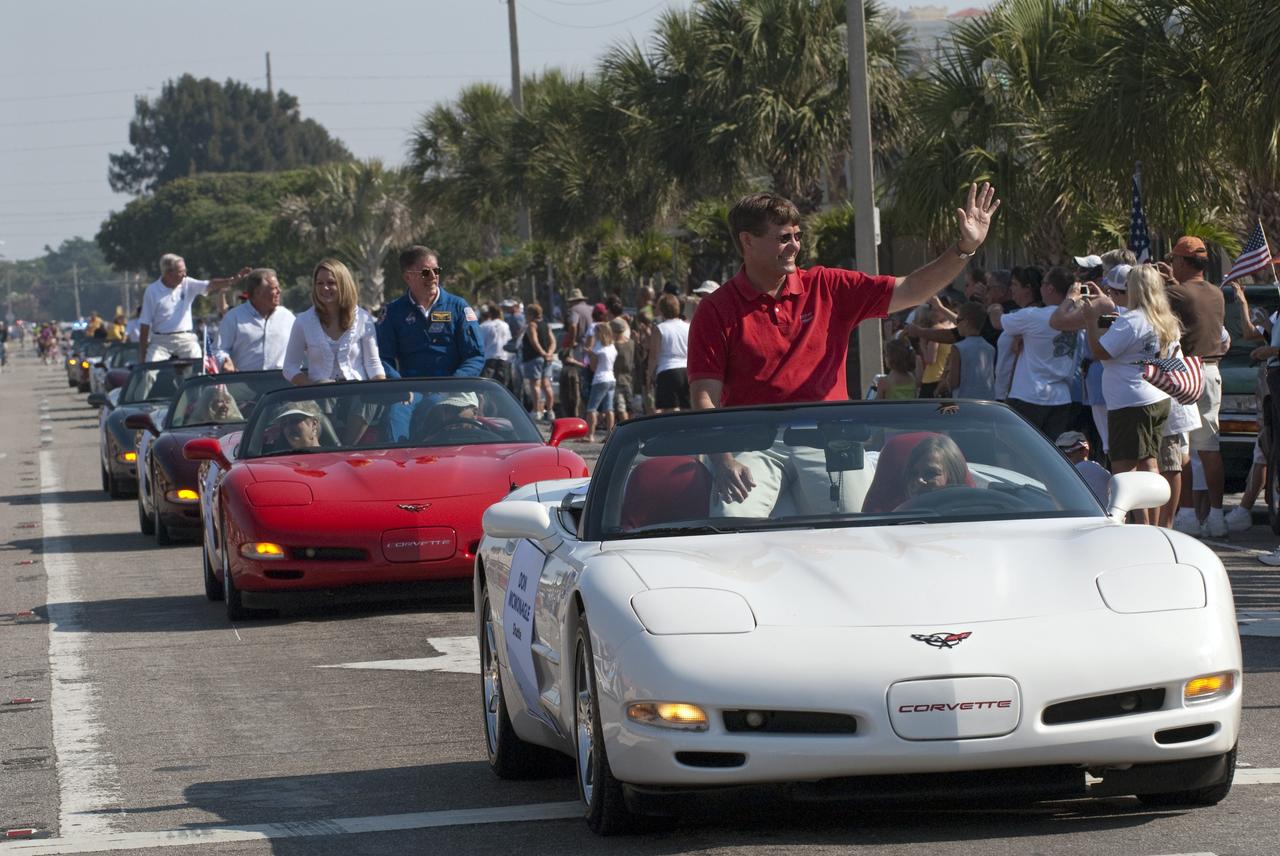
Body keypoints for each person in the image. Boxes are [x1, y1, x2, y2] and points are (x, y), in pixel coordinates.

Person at [690, 184, 1000, 511]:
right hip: (752, 444)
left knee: (856, 526)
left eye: (797, 236)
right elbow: (705, 396)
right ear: (747, 241)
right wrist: (722, 461)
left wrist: (964, 248)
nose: (794, 246)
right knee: (731, 518)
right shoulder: (715, 308)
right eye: (783, 238)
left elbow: (910, 288)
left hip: (828, 439)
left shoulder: (828, 285)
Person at [1078, 265, 1181, 523]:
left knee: (1125, 468)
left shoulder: (1133, 320)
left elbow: (1101, 352)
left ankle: (1143, 526)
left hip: (1130, 400)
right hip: (1156, 396)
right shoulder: (1163, 317)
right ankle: (1152, 525)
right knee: (1149, 463)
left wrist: (1091, 321)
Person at [1165, 235, 1229, 535]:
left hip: (1185, 371)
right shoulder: (1217, 292)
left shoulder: (1178, 293)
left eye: (1174, 259)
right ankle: (1216, 516)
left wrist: (1163, 283)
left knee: (1184, 447)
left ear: (1183, 261)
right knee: (1210, 447)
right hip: (1212, 371)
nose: (1172, 264)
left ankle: (1189, 513)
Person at [989, 266, 1081, 439]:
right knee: (1052, 454)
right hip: (1061, 397)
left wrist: (994, 307)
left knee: (1019, 451)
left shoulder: (1032, 315)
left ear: (1050, 288)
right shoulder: (1076, 316)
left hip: (1029, 395)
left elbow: (997, 322)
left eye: (1043, 283)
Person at [376, 245, 483, 378]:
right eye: (425, 272)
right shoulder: (392, 312)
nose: (433, 277)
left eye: (436, 271)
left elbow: (474, 356)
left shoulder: (458, 307)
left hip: (455, 391)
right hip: (410, 394)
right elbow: (383, 358)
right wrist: (401, 389)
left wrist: (455, 385)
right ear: (408, 277)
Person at [283, 259, 385, 385]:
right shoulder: (303, 321)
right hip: (319, 398)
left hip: (357, 396)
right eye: (319, 283)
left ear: (343, 284)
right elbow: (289, 367)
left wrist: (382, 390)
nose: (325, 288)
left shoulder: (364, 318)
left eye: (331, 282)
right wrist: (312, 388)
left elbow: (373, 364)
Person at [139, 254, 251, 361]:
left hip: (186, 339)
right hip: (160, 342)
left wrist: (233, 280)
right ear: (168, 273)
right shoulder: (152, 291)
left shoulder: (187, 283)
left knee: (197, 366)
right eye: (181, 272)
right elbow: (145, 323)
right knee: (149, 371)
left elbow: (210, 284)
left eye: (185, 271)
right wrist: (142, 354)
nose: (185, 275)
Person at [215, 268, 296, 372]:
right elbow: (218, 349)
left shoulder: (287, 317)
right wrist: (224, 361)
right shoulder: (233, 317)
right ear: (257, 292)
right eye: (274, 288)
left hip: (281, 383)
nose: (279, 291)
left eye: (278, 287)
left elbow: (304, 345)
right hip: (243, 384)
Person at [944, 302, 996, 399]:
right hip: (987, 403)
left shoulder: (958, 347)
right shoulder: (990, 348)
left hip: (965, 403)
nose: (956, 324)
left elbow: (953, 383)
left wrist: (947, 373)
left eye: (958, 320)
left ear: (966, 322)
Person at [650, 293, 690, 413]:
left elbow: (653, 355)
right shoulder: (688, 326)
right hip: (686, 370)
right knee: (686, 409)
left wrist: (650, 375)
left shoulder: (660, 328)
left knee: (670, 410)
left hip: (667, 370)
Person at [519, 302, 556, 421]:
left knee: (535, 385)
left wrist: (542, 353)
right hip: (547, 358)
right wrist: (549, 353)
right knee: (547, 385)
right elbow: (553, 341)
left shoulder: (532, 325)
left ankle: (536, 411)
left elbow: (534, 341)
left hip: (534, 358)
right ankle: (550, 410)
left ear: (531, 314)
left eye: (526, 314)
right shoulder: (546, 325)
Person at [561, 288, 594, 418]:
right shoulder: (591, 309)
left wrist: (572, 342)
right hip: (592, 346)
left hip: (580, 346)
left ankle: (580, 414)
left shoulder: (574, 311)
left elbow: (573, 326)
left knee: (579, 380)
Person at [1055, 430, 1111, 502]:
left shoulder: (1076, 471)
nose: (1064, 457)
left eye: (1069, 452)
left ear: (1085, 451)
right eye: (1061, 453)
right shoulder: (1102, 471)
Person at [585, 321, 617, 443]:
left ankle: (590, 434)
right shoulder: (612, 346)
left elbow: (593, 367)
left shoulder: (598, 347)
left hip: (600, 378)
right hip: (611, 377)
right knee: (609, 408)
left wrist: (590, 354)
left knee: (592, 408)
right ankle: (610, 434)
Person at [479, 304, 513, 385]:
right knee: (502, 386)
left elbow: (480, 344)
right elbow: (508, 341)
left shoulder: (484, 326)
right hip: (504, 358)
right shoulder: (505, 325)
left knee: (486, 386)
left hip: (489, 359)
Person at [611, 317, 635, 424]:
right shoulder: (631, 343)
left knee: (621, 408)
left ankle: (627, 431)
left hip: (618, 379)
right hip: (630, 379)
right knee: (630, 407)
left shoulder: (614, 346)